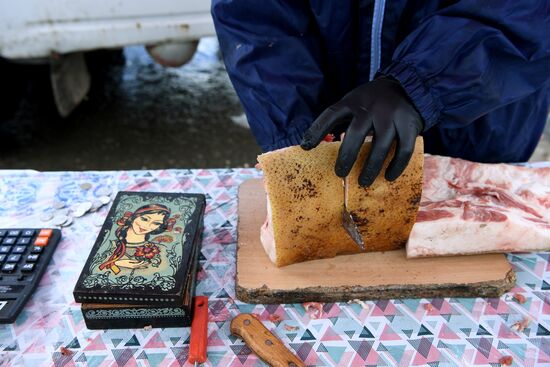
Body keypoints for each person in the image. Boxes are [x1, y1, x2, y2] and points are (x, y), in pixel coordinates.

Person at [212, 1, 550, 186]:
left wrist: (421, 85)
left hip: (475, 121)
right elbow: (256, 15)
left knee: (468, 217)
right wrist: (299, 127)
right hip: (332, 112)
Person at [99, 204, 176, 275]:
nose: (147, 226)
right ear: (133, 217)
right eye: (144, 219)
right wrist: (116, 263)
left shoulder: (161, 250)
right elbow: (96, 270)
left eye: (156, 223)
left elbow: (163, 272)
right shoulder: (109, 245)